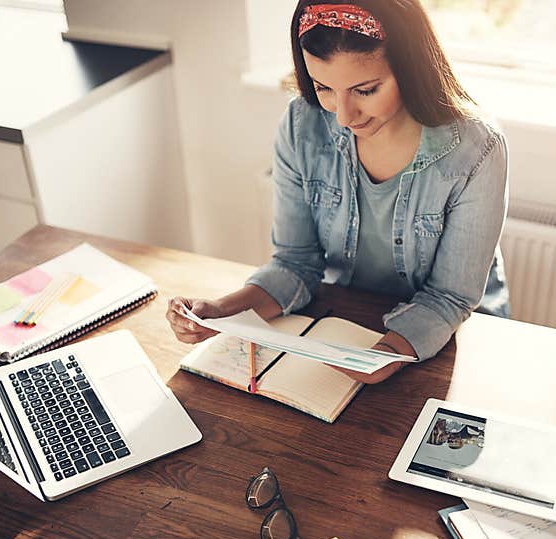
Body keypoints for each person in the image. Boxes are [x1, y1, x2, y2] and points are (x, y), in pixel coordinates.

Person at [167, 0, 509, 384]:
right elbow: (295, 265)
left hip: (445, 342)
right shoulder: (301, 124)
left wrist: (385, 355)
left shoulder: (477, 150)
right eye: (323, 87)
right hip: (344, 320)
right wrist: (220, 310)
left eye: (365, 90)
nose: (344, 116)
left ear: (411, 68)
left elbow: (450, 298)